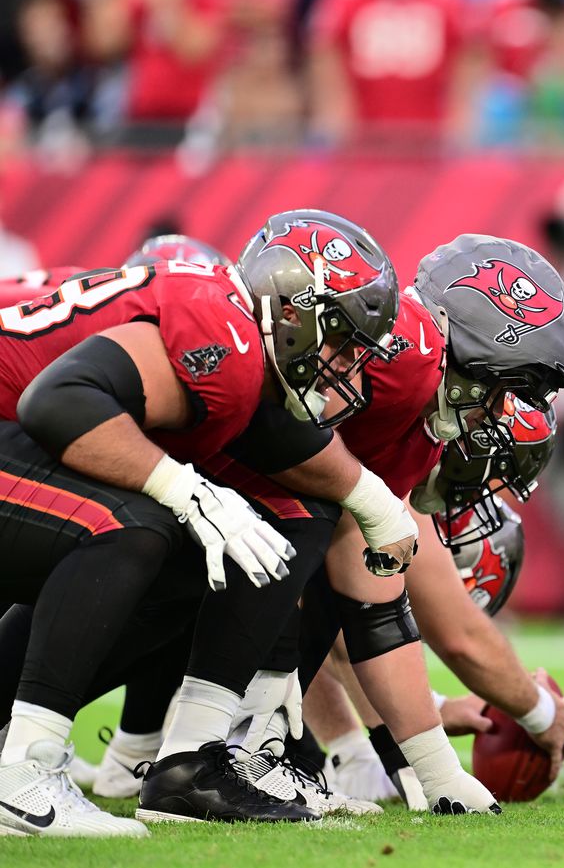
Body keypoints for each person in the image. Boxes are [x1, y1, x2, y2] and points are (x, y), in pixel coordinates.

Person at [0, 209, 416, 836]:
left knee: (237, 536)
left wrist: (377, 503)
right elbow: (58, 401)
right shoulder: (223, 328)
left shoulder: (243, 358)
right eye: (344, 342)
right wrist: (182, 486)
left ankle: (190, 759)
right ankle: (24, 773)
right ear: (295, 311)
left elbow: (300, 469)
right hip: (29, 418)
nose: (349, 369)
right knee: (132, 524)